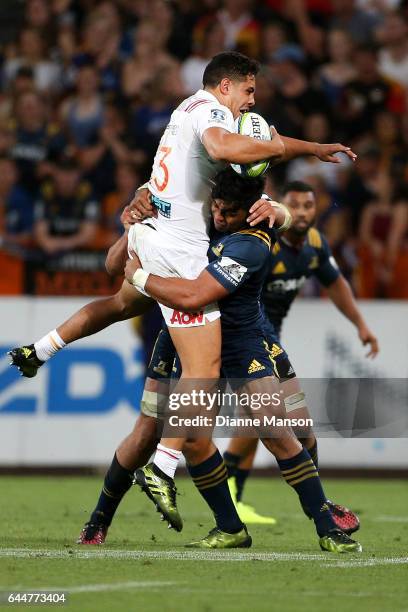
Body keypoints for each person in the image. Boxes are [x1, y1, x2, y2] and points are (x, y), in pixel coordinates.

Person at [10, 51, 356, 510]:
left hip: (153, 229)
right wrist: (276, 151)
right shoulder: (215, 114)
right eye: (248, 92)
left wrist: (310, 149)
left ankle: (42, 348)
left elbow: (236, 150)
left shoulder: (184, 109)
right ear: (227, 86)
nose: (250, 104)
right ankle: (163, 467)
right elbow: (222, 148)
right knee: (203, 369)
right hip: (180, 251)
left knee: (119, 299)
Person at [125, 168, 362, 553]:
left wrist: (140, 278)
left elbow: (196, 295)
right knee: (195, 442)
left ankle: (326, 527)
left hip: (240, 341)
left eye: (229, 212)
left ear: (251, 211)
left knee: (275, 430)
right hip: (199, 339)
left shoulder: (252, 243)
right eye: (216, 207)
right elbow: (169, 188)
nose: (219, 217)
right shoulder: (209, 212)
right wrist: (141, 195)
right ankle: (230, 527)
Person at [222, 180, 379, 520]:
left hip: (269, 338)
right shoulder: (264, 243)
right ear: (280, 207)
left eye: (309, 205)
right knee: (276, 419)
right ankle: (314, 505)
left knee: (262, 421)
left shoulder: (314, 244)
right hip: (246, 338)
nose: (303, 212)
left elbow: (335, 283)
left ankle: (235, 494)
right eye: (295, 205)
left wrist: (360, 325)